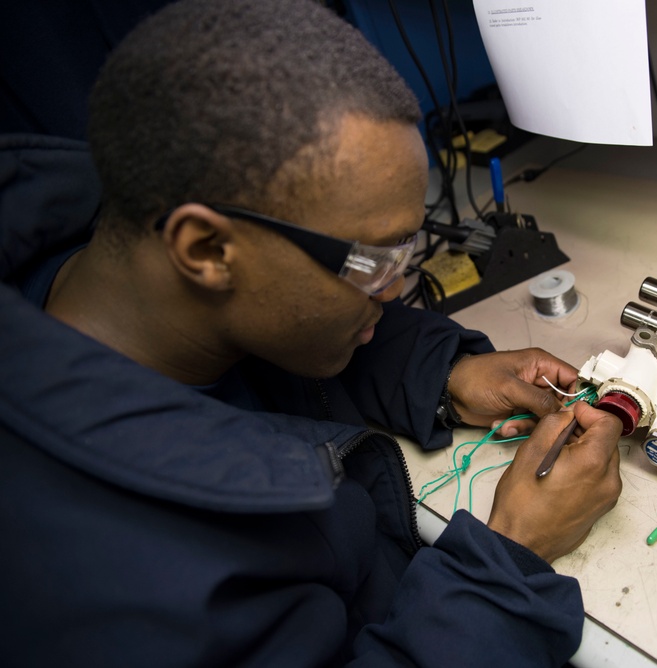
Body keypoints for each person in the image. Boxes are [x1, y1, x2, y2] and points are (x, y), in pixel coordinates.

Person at [0, 1, 623, 666]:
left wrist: (443, 375)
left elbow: (266, 344)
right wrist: (508, 561)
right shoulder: (120, 589)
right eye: (375, 261)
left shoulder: (119, 282)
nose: (397, 288)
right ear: (207, 248)